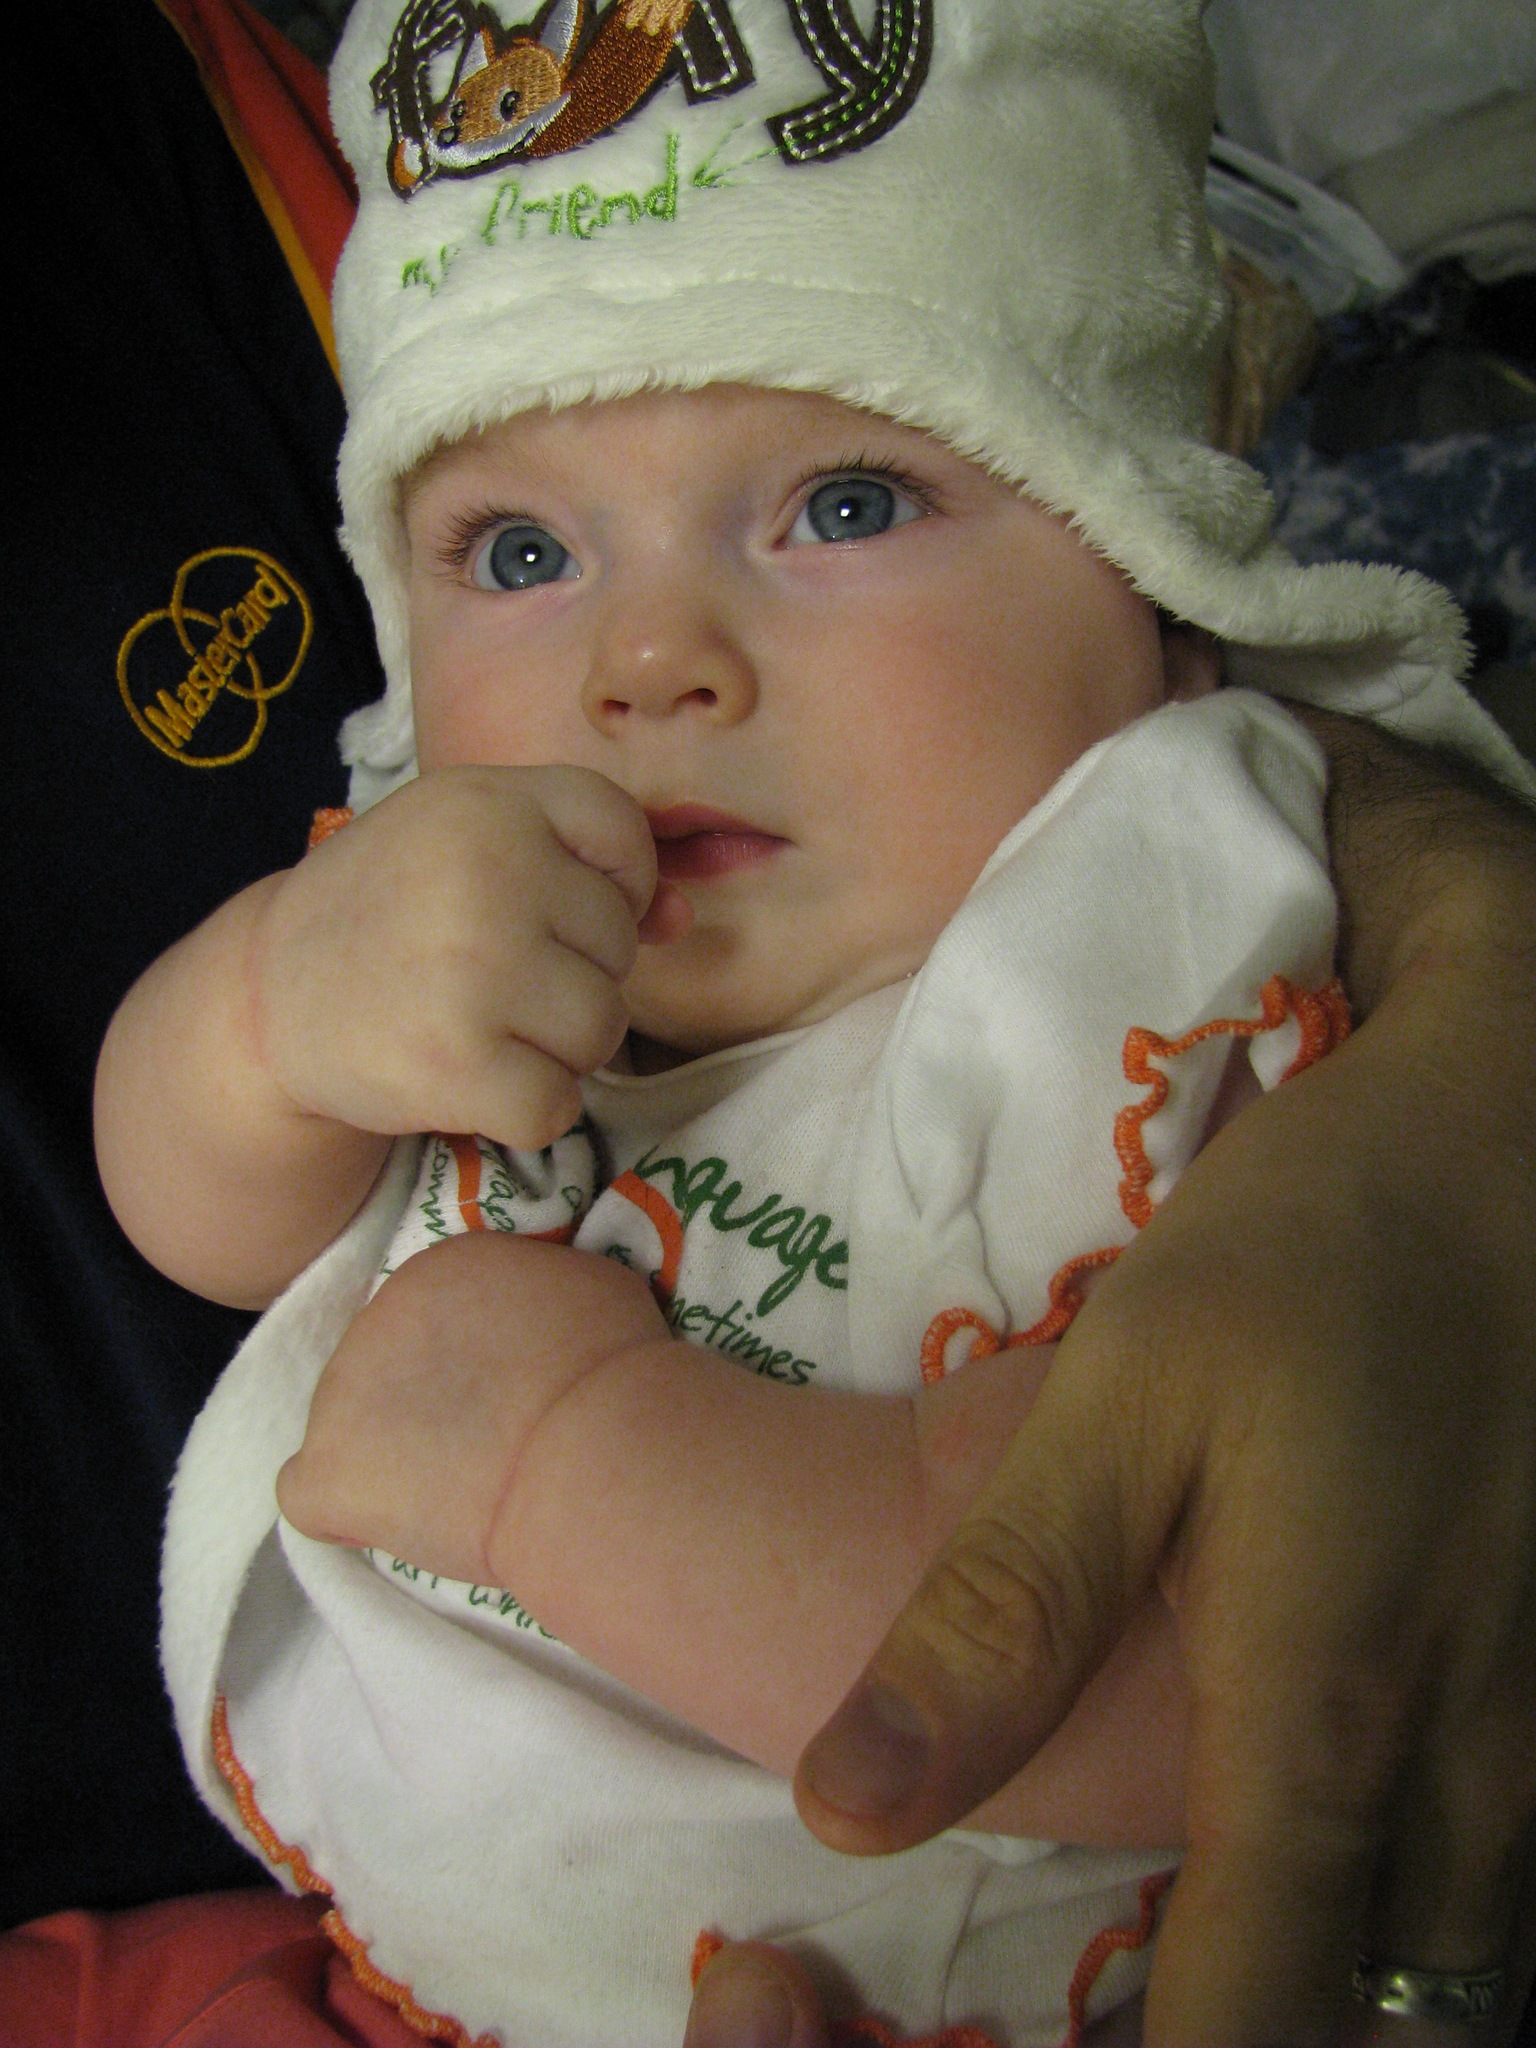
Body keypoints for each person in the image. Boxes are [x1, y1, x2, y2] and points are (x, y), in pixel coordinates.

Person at [86, 0, 1536, 2042]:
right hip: (345, 1972)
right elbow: (206, 1221)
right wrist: (261, 1016)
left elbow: (1214, 1672)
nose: (647, 659)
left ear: (1150, 592)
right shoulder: (465, 918)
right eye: (522, 552)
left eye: (844, 506)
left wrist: (564, 1464)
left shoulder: (1156, 971)